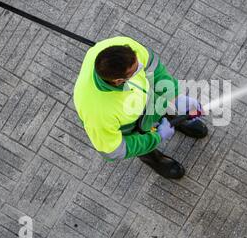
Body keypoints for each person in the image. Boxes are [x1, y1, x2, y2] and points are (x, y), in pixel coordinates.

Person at [73, 36, 208, 179]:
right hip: (128, 125)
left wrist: (175, 97)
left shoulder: (123, 47)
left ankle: (177, 117)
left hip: (147, 100)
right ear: (119, 81)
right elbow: (114, 149)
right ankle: (154, 158)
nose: (141, 68)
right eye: (136, 70)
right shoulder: (98, 113)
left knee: (160, 103)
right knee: (139, 138)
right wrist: (156, 137)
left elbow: (153, 67)